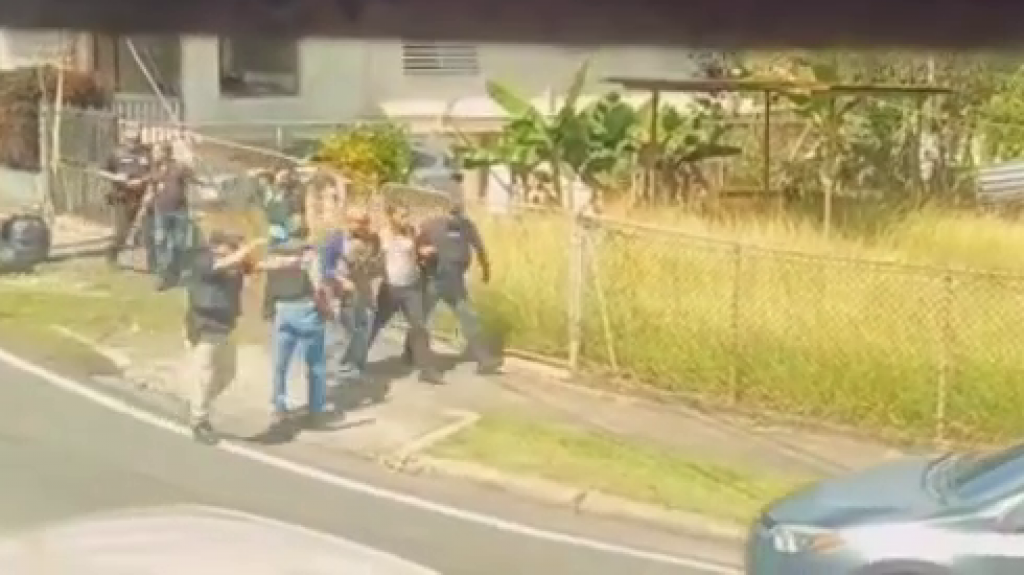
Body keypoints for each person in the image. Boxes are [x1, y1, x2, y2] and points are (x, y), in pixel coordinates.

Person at [184, 231, 265, 444]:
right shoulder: (203, 261)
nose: (235, 251)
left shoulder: (233, 265)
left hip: (225, 325)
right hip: (205, 325)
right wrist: (247, 248)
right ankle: (199, 420)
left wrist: (291, 262)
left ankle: (197, 404)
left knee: (228, 372)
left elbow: (257, 267)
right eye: (231, 246)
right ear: (218, 247)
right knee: (205, 373)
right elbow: (224, 264)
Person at [413, 198, 501, 375]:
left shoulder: (465, 226)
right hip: (435, 279)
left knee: (467, 318)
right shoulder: (432, 225)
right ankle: (412, 353)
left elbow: (479, 247)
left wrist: (485, 269)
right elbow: (416, 247)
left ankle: (484, 359)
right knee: (423, 317)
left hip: (453, 282)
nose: (454, 216)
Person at [263, 220, 335, 429]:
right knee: (316, 365)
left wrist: (268, 310)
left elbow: (270, 285)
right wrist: (327, 310)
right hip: (305, 310)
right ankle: (315, 410)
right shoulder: (309, 256)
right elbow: (317, 287)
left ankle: (278, 406)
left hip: (282, 310)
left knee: (280, 364)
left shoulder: (274, 253)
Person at [369, 203, 442, 384]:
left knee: (419, 327)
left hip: (411, 287)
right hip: (391, 287)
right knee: (376, 323)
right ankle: (354, 359)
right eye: (402, 216)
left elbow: (416, 253)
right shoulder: (383, 234)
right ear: (391, 216)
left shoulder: (411, 232)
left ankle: (427, 370)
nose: (405, 219)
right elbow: (375, 258)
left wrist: (425, 253)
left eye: (407, 215)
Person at [330, 206, 382, 383]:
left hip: (364, 290)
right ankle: (336, 367)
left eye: (366, 222)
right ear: (349, 222)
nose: (364, 226)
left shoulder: (373, 240)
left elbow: (375, 266)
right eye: (360, 222)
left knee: (363, 329)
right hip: (343, 291)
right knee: (345, 331)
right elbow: (325, 267)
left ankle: (356, 367)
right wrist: (341, 280)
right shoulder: (336, 240)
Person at [104, 125, 153, 270]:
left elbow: (152, 172)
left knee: (143, 231)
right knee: (122, 232)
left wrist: (143, 180)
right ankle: (112, 255)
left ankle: (143, 262)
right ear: (125, 137)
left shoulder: (145, 153)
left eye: (136, 138)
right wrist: (117, 177)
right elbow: (102, 171)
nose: (133, 141)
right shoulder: (116, 153)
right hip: (122, 196)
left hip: (141, 197)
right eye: (130, 138)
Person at [150, 141, 197, 290]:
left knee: (178, 244)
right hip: (161, 209)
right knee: (161, 242)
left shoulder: (179, 167)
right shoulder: (154, 168)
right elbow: (151, 184)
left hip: (179, 210)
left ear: (165, 153)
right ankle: (162, 276)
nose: (154, 154)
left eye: (157, 151)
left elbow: (192, 177)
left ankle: (174, 273)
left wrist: (189, 156)